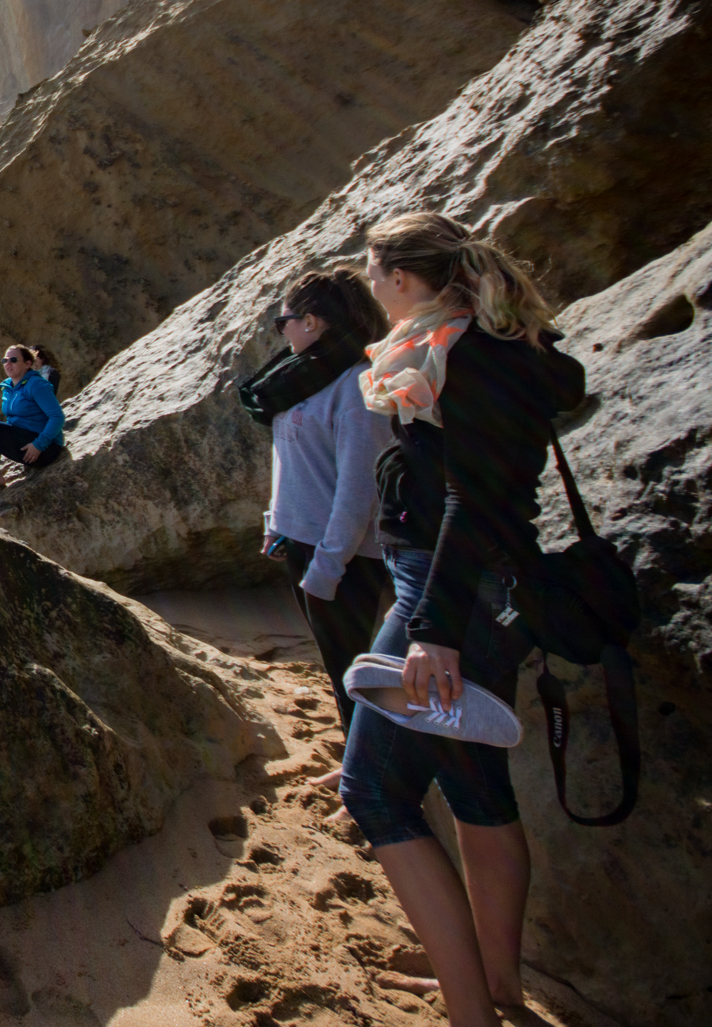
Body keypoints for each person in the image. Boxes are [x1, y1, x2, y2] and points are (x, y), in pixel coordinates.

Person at [338, 212, 584, 1027]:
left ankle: (470, 1011)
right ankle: (498, 991)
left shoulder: (460, 356)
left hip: (449, 599)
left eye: (372, 273)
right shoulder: (482, 342)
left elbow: (473, 498)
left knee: (372, 789)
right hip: (478, 592)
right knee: (473, 784)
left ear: (403, 279)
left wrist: (431, 627)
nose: (369, 288)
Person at [240, 266, 393, 776]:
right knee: (337, 663)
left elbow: (359, 489)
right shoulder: (306, 377)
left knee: (353, 667)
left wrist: (328, 567)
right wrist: (275, 520)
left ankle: (369, 777)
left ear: (313, 322)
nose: (280, 330)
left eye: (283, 320)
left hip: (343, 554)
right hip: (302, 540)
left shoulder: (356, 386)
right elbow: (293, 460)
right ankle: (361, 761)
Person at [0, 344, 64, 497]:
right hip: (24, 440)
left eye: (14, 360)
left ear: (28, 364)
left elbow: (57, 416)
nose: (8, 364)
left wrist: (39, 444)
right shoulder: (9, 387)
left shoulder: (37, 384)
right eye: (5, 360)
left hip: (45, 449)